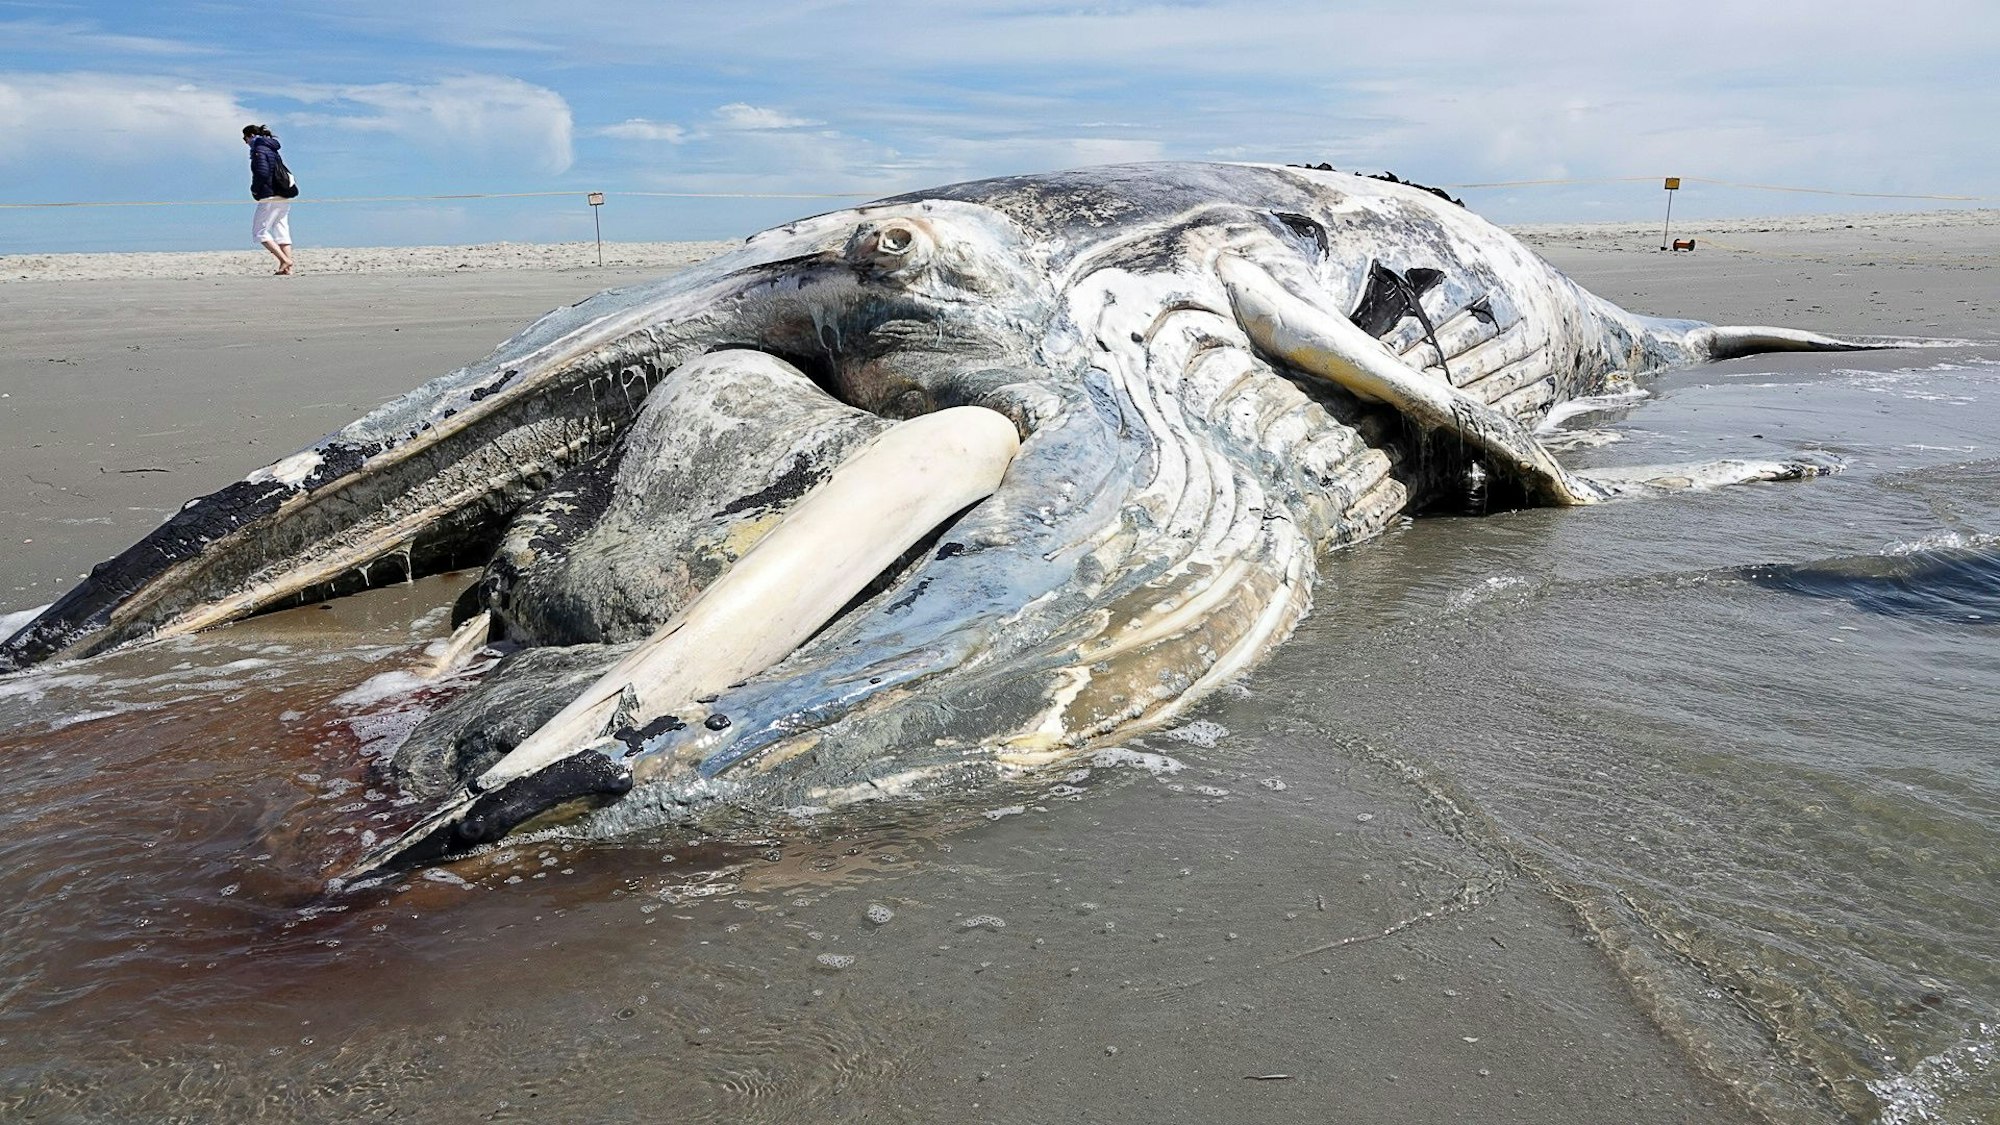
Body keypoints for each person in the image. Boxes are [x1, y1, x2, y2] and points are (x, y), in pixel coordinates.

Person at [243, 124, 295, 275]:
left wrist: (255, 190)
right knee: (281, 229)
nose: (245, 142)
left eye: (245, 138)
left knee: (259, 231)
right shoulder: (271, 148)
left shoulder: (259, 149)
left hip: (270, 195)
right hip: (283, 194)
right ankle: (287, 268)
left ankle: (285, 260)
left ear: (251, 135)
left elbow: (262, 173)